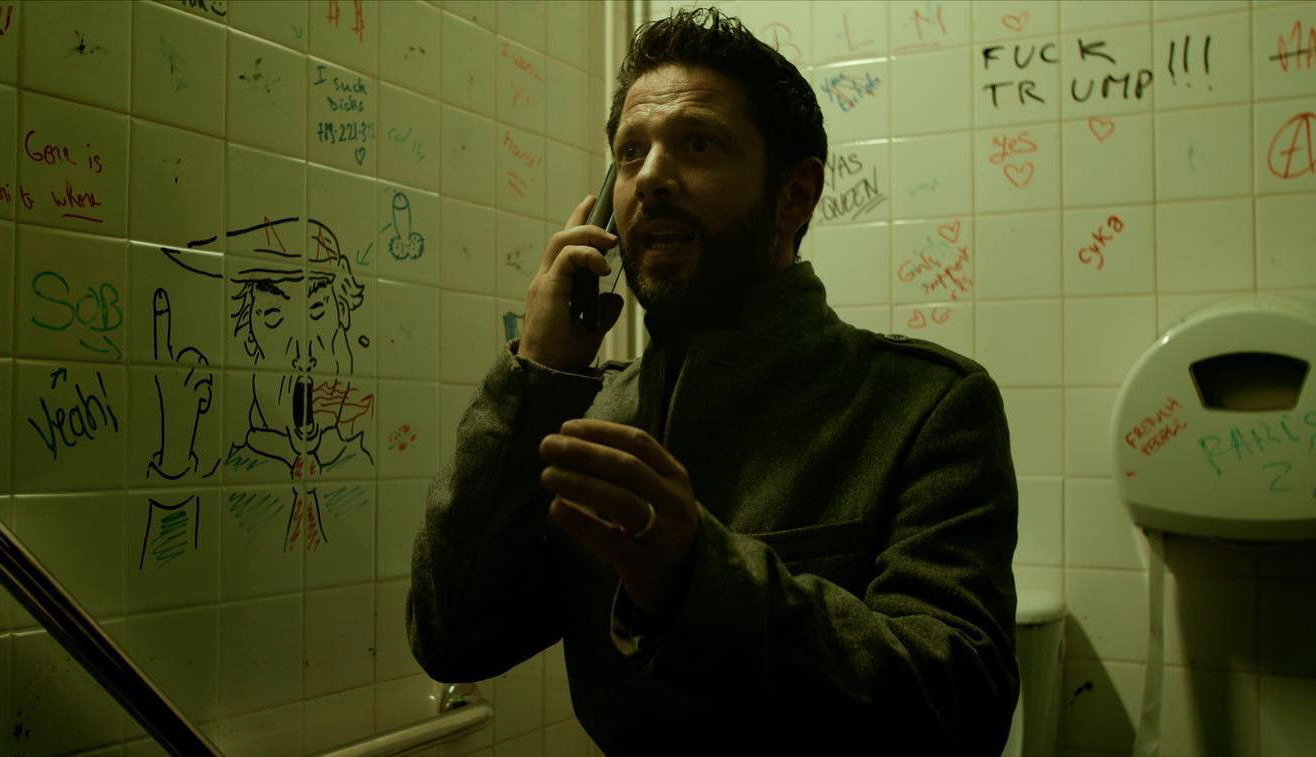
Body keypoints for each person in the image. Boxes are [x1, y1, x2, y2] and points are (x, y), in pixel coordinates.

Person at [408, 8, 1019, 755]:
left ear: (795, 195)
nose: (651, 177)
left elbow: (961, 710)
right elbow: (455, 637)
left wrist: (696, 576)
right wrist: (537, 373)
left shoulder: (923, 406)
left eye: (698, 143)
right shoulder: (592, 414)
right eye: (630, 153)